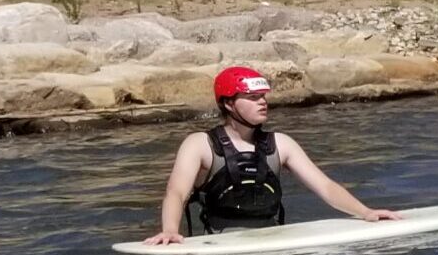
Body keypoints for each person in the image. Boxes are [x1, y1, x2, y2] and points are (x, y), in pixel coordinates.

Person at [143, 66, 401, 244]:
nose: (263, 102)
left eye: (264, 96)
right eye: (253, 97)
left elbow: (325, 186)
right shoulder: (199, 144)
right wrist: (170, 231)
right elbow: (176, 192)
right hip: (221, 246)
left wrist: (365, 212)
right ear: (228, 103)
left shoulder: (281, 143)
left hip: (273, 241)